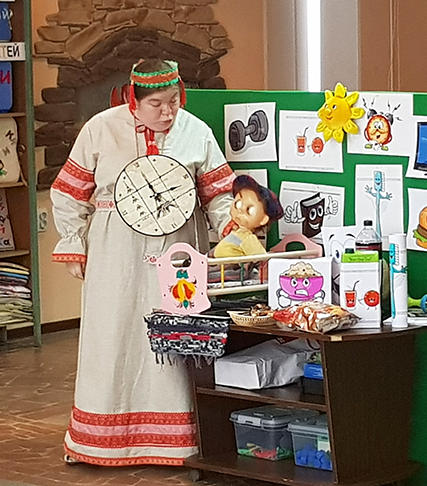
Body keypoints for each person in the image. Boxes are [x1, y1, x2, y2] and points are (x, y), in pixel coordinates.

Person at [50, 58, 235, 467]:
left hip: (179, 250)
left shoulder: (196, 131)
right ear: (134, 99)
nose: (167, 112)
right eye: (156, 103)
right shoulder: (100, 128)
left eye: (173, 101)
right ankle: (103, 442)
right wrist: (74, 242)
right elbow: (68, 191)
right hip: (116, 250)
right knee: (112, 334)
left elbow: (219, 194)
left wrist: (232, 235)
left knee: (178, 334)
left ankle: (177, 443)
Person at [213, 174, 283, 257]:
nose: (241, 210)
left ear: (263, 219)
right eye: (238, 204)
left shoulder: (248, 238)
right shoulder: (235, 231)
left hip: (234, 265)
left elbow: (260, 257)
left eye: (250, 210)